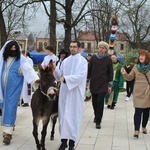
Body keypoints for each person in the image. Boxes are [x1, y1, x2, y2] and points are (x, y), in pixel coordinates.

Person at [0, 40, 39, 145]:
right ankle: (10, 127)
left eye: (15, 48)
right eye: (11, 47)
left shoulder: (21, 61)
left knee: (10, 108)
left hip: (13, 91)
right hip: (1, 90)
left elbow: (29, 71)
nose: (13, 49)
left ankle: (7, 134)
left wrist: (36, 80)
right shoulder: (1, 60)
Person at [58, 41, 88, 150]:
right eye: (70, 47)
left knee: (73, 118)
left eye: (74, 47)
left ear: (79, 48)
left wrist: (66, 79)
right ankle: (63, 141)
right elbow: (60, 74)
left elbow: (80, 76)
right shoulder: (65, 61)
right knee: (63, 117)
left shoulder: (83, 62)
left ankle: (71, 143)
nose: (72, 49)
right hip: (65, 92)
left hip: (76, 93)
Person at [121, 49, 150, 138]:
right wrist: (124, 73)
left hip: (148, 92)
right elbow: (129, 78)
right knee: (138, 111)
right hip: (138, 92)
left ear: (147, 57)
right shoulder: (136, 67)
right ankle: (136, 130)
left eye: (142, 55)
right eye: (139, 55)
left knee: (146, 111)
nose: (140, 57)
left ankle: (144, 126)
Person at [87, 41, 113, 129]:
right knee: (94, 102)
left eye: (103, 48)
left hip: (103, 84)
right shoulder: (93, 58)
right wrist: (87, 80)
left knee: (100, 102)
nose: (101, 49)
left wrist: (109, 85)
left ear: (106, 49)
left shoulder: (108, 60)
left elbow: (110, 72)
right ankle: (96, 115)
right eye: (100, 47)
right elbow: (89, 70)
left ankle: (98, 121)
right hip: (94, 83)